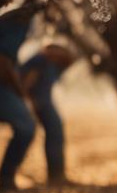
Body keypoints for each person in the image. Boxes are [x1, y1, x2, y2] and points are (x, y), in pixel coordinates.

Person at [0, 6, 37, 192]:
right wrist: (20, 93)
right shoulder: (18, 21)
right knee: (26, 126)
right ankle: (6, 181)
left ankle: (6, 180)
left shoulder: (11, 18)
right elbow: (3, 63)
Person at [17, 44, 77, 185]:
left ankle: (57, 175)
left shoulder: (52, 64)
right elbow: (27, 83)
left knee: (55, 133)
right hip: (39, 102)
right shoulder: (41, 60)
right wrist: (28, 101)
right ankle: (56, 176)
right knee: (54, 132)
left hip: (44, 102)